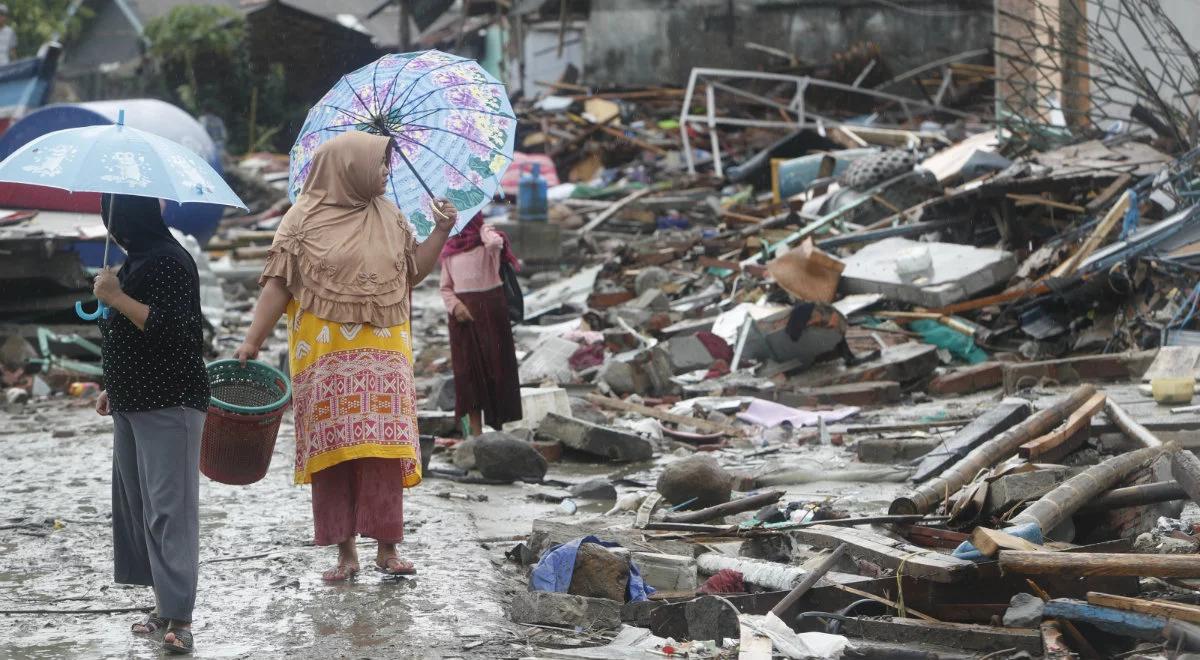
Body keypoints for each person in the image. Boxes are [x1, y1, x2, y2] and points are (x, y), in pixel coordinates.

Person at [234, 131, 457, 582]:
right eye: (379, 164)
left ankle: (388, 549)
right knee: (333, 455)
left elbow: (412, 272)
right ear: (349, 167)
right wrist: (252, 341)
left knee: (383, 453)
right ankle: (345, 554)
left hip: (383, 360)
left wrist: (441, 230)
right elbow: (277, 285)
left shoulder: (390, 216)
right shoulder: (300, 221)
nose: (386, 171)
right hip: (324, 360)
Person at [93, 194, 209, 655]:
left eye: (115, 216)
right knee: (141, 507)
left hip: (170, 401)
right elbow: (122, 333)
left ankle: (180, 615)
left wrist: (117, 297)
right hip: (131, 400)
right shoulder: (132, 262)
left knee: (170, 510)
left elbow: (174, 330)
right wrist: (110, 385)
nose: (111, 226)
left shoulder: (169, 261)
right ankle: (163, 606)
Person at [439, 213, 522, 436]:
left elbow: (496, 243)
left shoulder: (488, 247)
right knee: (469, 375)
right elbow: (445, 288)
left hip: (491, 313)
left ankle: (498, 429)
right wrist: (456, 307)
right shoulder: (449, 251)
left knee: (497, 369)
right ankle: (476, 435)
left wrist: (484, 229)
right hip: (463, 320)